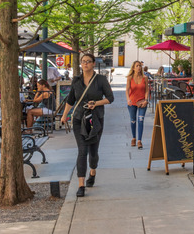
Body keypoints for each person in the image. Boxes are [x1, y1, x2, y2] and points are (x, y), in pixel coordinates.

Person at [61, 53, 114, 198]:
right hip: (79, 118)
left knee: (93, 151)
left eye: (88, 62)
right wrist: (65, 115)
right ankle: (81, 185)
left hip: (95, 119)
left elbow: (110, 98)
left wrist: (96, 103)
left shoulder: (101, 80)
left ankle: (93, 171)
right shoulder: (76, 80)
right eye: (83, 62)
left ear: (93, 63)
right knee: (82, 150)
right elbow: (71, 99)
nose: (85, 64)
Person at [126, 61, 149, 150]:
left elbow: (147, 90)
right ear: (133, 68)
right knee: (133, 120)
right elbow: (127, 90)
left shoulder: (145, 78)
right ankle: (134, 138)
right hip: (132, 102)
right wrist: (128, 100)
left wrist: (146, 100)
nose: (139, 67)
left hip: (142, 102)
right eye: (137, 66)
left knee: (140, 120)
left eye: (140, 66)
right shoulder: (129, 78)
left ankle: (139, 140)